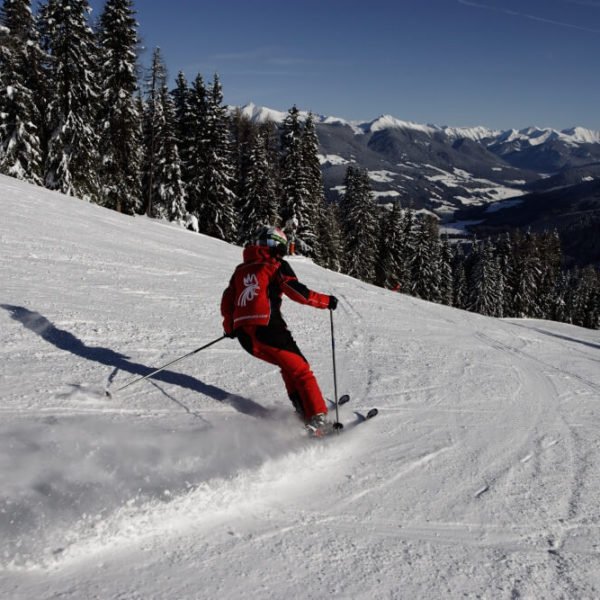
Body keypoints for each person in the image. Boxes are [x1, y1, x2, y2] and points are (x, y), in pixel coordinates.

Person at [220, 226, 338, 436]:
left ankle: (305, 411)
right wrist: (326, 301)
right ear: (276, 246)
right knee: (301, 370)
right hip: (269, 329)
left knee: (288, 367)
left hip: (245, 337)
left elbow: (228, 301)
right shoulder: (275, 265)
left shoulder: (240, 270)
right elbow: (297, 292)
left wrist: (230, 327)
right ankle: (318, 419)